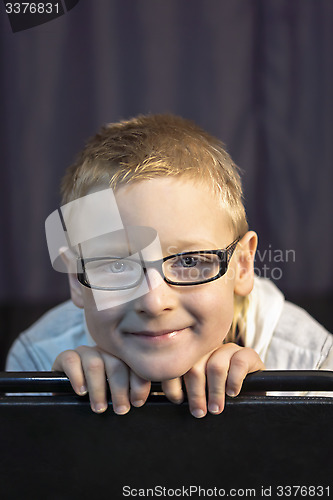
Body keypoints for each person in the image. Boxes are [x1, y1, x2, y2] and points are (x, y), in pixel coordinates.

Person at [6, 114, 333, 417]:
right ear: (77, 280)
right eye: (117, 265)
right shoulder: (33, 361)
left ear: (243, 265)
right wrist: (59, 409)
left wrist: (260, 416)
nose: (154, 302)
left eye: (190, 261)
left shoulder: (312, 362)